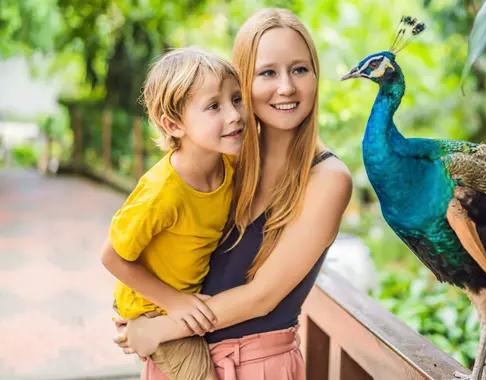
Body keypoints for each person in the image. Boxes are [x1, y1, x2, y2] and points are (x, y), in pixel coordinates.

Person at [113, 8, 353, 379]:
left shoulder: (328, 178)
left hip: (258, 365)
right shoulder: (227, 157)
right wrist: (142, 308)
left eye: (300, 69)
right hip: (182, 356)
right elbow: (159, 236)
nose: (286, 87)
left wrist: (160, 328)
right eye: (267, 73)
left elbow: (264, 296)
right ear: (242, 80)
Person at [102, 47, 246, 380]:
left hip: (183, 298)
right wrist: (174, 303)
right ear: (174, 124)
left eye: (236, 99)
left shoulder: (228, 163)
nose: (234, 115)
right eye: (214, 106)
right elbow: (111, 256)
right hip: (152, 309)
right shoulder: (162, 191)